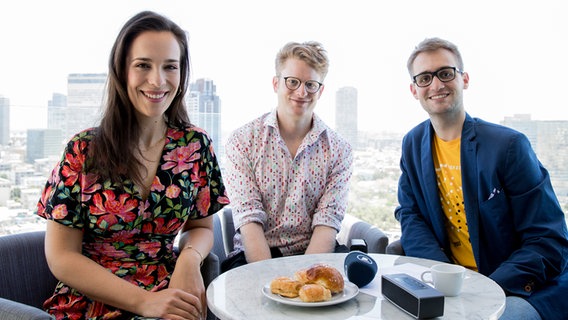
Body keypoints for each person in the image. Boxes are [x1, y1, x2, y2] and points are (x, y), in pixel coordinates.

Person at [35, 11, 229, 320]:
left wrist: (189, 261)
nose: (158, 80)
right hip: (92, 300)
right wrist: (143, 302)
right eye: (143, 65)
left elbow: (202, 227)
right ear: (121, 70)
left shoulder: (195, 145)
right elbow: (61, 256)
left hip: (169, 294)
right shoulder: (83, 149)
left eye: (170, 67)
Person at [395, 37, 568, 320]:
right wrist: (445, 276)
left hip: (520, 288)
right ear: (414, 90)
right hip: (451, 286)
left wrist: (483, 288)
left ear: (464, 79)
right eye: (425, 78)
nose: (436, 85)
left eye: (446, 73)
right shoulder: (413, 143)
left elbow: (547, 238)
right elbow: (410, 215)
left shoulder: (508, 146)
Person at [221, 41, 353, 272]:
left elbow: (327, 222)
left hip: (315, 253)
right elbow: (249, 219)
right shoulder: (242, 141)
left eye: (311, 84)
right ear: (276, 83)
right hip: (256, 254)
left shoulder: (340, 150)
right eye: (292, 82)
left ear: (320, 91)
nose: (302, 92)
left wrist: (303, 281)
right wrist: (274, 283)